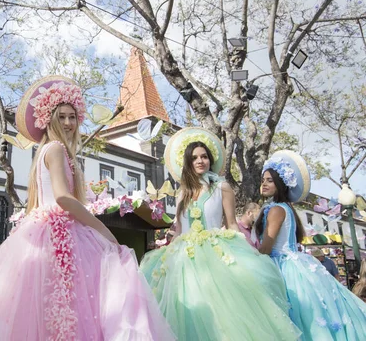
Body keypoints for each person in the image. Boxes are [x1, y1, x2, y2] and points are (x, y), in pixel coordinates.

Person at [0, 76, 174, 340]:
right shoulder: (56, 149)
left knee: (50, 306)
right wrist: (101, 227)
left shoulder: (46, 151)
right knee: (72, 299)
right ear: (50, 118)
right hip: (59, 233)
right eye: (62, 117)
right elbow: (62, 198)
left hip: (41, 232)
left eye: (72, 117)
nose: (68, 123)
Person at [140, 128, 300, 341]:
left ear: (210, 160)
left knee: (222, 311)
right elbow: (178, 230)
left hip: (214, 254)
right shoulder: (182, 193)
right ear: (187, 162)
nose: (200, 161)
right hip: (182, 258)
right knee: (183, 308)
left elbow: (232, 223)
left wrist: (248, 252)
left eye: (204, 156)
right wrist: (166, 253)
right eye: (195, 157)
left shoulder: (222, 187)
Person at [257, 150, 366, 340]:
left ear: (281, 184)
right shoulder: (286, 209)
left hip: (280, 266)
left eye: (270, 180)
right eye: (263, 180)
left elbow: (266, 248)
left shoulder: (275, 210)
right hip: (297, 265)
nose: (264, 184)